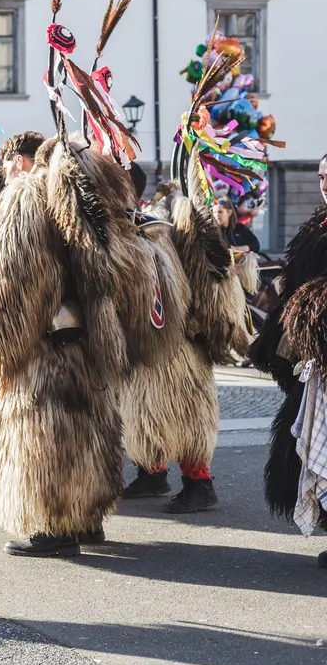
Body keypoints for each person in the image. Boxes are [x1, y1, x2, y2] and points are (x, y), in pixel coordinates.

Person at [0, 134, 187, 557]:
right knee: (90, 433)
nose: (4, 171)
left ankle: (53, 529)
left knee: (44, 437)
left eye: (7, 163)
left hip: (41, 351)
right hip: (91, 346)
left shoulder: (27, 202)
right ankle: (86, 521)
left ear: (24, 163)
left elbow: (7, 282)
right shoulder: (97, 206)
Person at [122, 176, 254, 514]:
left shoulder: (165, 225)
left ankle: (199, 484)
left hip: (181, 344)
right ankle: (152, 474)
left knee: (187, 417)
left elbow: (199, 280)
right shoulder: (134, 222)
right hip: (150, 343)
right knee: (146, 415)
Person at [249, 152, 327, 569]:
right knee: (312, 443)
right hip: (314, 356)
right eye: (321, 176)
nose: (325, 182)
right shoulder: (317, 226)